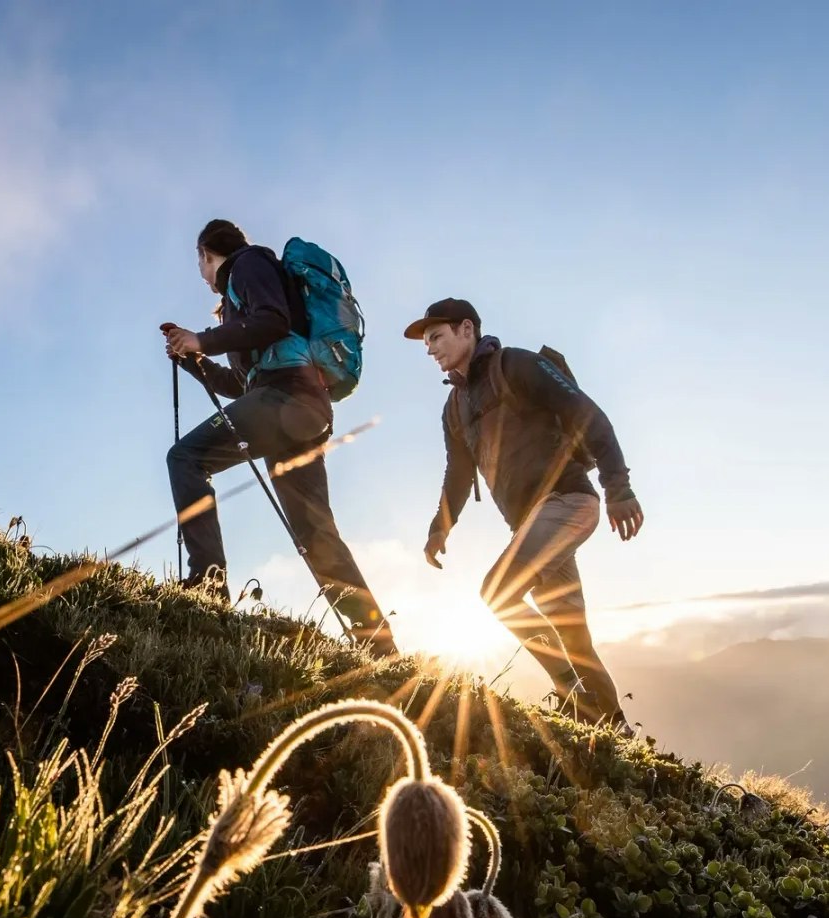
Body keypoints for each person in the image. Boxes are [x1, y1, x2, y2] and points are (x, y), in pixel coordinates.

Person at [404, 297, 643, 732]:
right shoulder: (454, 408)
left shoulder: (516, 366)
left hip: (568, 500)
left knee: (498, 592)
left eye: (436, 337)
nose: (430, 349)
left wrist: (618, 488)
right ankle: (614, 726)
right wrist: (440, 528)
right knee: (573, 632)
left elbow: (587, 414)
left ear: (466, 329)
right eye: (426, 344)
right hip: (530, 522)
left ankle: (572, 695)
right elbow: (458, 473)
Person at [161, 219, 398, 657]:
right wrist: (195, 358)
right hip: (299, 407)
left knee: (186, 459)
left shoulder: (247, 265)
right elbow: (242, 383)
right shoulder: (241, 295)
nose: (200, 271)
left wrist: (203, 339)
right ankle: (381, 646)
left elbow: (272, 321)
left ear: (207, 255)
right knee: (315, 532)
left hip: (286, 398)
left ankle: (207, 584)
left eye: (199, 260)